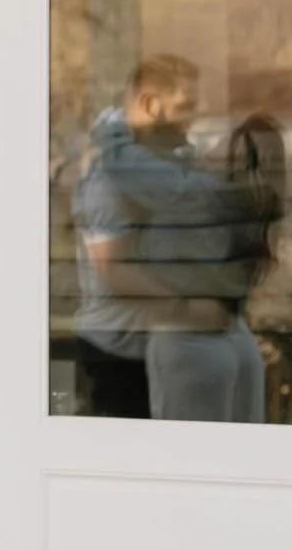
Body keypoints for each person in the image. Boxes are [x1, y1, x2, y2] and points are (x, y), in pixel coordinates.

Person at [73, 55, 272, 423]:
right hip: (121, 353)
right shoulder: (109, 179)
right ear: (151, 105)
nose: (194, 118)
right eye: (186, 106)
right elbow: (112, 269)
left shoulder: (168, 163)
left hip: (166, 344)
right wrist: (191, 310)